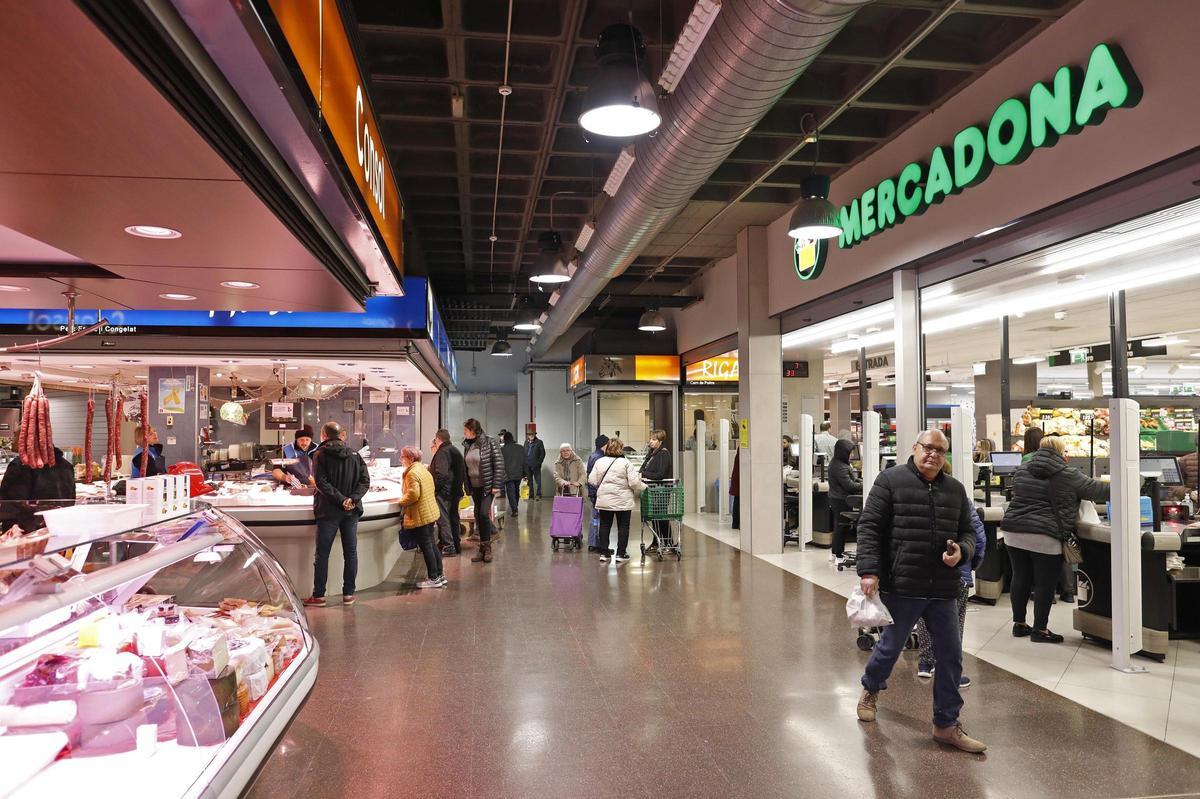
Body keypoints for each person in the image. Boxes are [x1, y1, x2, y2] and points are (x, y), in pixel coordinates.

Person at [854, 430, 984, 754]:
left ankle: (946, 724)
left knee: (951, 657)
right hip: (904, 583)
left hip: (943, 587)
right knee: (890, 646)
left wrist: (962, 551)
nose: (934, 455)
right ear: (915, 448)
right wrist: (869, 570)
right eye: (928, 447)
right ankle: (870, 688)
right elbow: (869, 525)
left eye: (941, 451)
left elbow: (969, 531)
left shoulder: (955, 490)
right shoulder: (891, 481)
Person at [1000, 435, 1109, 642]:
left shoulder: (1022, 470)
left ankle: (1019, 624)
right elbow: (1099, 491)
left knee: (1020, 577)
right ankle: (1040, 630)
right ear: (1061, 452)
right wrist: (1129, 482)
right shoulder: (1068, 474)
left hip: (1014, 532)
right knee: (1045, 583)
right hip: (1046, 535)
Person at [916, 460, 988, 686]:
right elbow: (979, 537)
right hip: (956, 573)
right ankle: (951, 672)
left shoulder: (917, 500)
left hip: (923, 573)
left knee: (925, 617)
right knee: (954, 622)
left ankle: (926, 663)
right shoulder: (961, 501)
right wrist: (971, 564)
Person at [305, 421, 370, 607]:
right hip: (351, 512)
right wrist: (352, 500)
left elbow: (321, 483)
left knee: (322, 554)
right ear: (341, 435)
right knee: (350, 553)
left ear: (323, 435)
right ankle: (348, 594)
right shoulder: (355, 455)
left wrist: (341, 499)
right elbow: (365, 481)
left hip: (328, 511)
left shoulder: (319, 455)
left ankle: (319, 596)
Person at [588, 437, 646, 564]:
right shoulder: (626, 463)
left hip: (605, 500)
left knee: (604, 525)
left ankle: (603, 553)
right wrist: (644, 487)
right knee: (623, 527)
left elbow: (592, 480)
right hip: (623, 501)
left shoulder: (600, 462)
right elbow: (634, 482)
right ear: (620, 448)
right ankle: (621, 553)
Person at [398, 445, 445, 589]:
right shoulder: (423, 469)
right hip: (429, 512)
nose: (401, 459)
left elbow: (413, 494)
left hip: (420, 515)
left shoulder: (412, 473)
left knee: (427, 546)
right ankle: (439, 575)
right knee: (431, 544)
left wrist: (401, 501)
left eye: (403, 456)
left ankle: (433, 577)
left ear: (410, 458)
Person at [0, 444, 76, 531]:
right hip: (58, 531)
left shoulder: (20, 466)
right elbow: (70, 502)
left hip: (24, 535)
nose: (13, 440)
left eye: (16, 436)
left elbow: (9, 510)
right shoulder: (66, 465)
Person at [463, 418, 505, 564]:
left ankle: (487, 549)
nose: (464, 433)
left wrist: (496, 485)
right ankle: (482, 549)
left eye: (466, 430)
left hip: (487, 486)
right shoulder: (467, 444)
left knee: (483, 514)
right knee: (478, 516)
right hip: (474, 487)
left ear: (473, 431)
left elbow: (499, 464)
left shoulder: (490, 442)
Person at [430, 429, 465, 556]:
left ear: (438, 439)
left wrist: (435, 490)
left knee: (443, 519)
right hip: (455, 491)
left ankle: (448, 546)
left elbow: (441, 474)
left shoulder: (442, 452)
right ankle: (456, 544)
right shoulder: (455, 450)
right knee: (453, 518)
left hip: (445, 492)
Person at [828, 438, 862, 563]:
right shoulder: (840, 466)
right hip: (841, 500)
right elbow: (849, 485)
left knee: (839, 527)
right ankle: (838, 555)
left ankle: (835, 553)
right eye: (849, 452)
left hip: (836, 498)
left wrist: (859, 481)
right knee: (841, 528)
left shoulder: (837, 463)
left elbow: (851, 480)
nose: (851, 455)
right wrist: (865, 484)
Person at [640, 429, 673, 551]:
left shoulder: (663, 454)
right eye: (651, 439)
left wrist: (644, 474)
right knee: (655, 517)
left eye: (654, 439)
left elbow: (660, 474)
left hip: (661, 491)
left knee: (661, 516)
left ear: (660, 441)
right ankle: (657, 540)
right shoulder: (652, 453)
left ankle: (668, 542)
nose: (651, 442)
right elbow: (644, 468)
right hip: (653, 490)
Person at [586, 435, 609, 552]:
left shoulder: (593, 456)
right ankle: (596, 544)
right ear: (604, 444)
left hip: (594, 492)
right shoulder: (599, 458)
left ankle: (593, 543)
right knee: (598, 519)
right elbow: (595, 478)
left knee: (595, 519)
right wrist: (595, 494)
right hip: (597, 493)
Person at [499, 431, 525, 518]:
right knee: (516, 490)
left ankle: (514, 509)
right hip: (518, 473)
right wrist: (525, 473)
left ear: (505, 440)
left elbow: (500, 463)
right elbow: (525, 461)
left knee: (510, 492)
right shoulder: (520, 448)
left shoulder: (502, 450)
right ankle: (515, 506)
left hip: (507, 474)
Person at [524, 429, 546, 500]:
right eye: (530, 434)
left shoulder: (539, 442)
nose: (531, 436)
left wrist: (539, 462)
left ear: (535, 435)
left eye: (532, 434)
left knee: (538, 481)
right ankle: (531, 495)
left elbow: (542, 453)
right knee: (529, 481)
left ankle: (538, 495)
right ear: (528, 435)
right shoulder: (526, 442)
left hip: (536, 465)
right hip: (527, 465)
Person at [730, 448, 740, 530]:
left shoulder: (739, 452)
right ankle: (739, 523)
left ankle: (735, 523)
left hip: (737, 481)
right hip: (740, 481)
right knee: (739, 502)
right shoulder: (743, 453)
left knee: (737, 501)